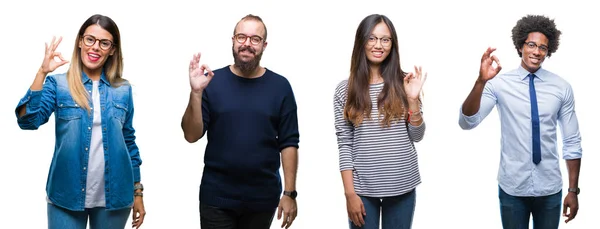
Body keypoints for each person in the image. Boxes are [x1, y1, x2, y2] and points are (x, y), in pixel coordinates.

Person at [15, 14, 146, 229]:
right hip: (65, 194)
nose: (95, 47)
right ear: (80, 41)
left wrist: (138, 191)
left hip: (115, 198)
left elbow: (128, 141)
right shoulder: (58, 85)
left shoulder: (123, 89)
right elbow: (28, 121)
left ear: (112, 49)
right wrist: (42, 72)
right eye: (90, 39)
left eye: (104, 43)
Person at [458, 14, 581, 229]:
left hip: (550, 188)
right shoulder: (499, 84)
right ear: (520, 45)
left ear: (548, 50)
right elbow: (467, 122)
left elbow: (572, 141)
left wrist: (573, 190)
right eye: (531, 44)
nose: (536, 51)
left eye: (543, 47)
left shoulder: (561, 88)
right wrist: (480, 82)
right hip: (512, 188)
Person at [181, 14, 300, 229]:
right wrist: (196, 93)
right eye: (241, 37)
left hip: (262, 199)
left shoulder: (280, 87)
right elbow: (191, 135)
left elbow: (289, 142)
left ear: (264, 45)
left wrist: (290, 193)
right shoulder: (211, 82)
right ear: (233, 41)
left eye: (255, 39)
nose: (247, 44)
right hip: (216, 197)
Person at [333, 14, 427, 229]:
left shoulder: (406, 82)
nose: (379, 45)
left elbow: (417, 136)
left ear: (392, 44)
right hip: (362, 189)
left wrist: (412, 101)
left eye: (385, 39)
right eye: (372, 38)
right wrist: (349, 194)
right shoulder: (344, 90)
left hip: (402, 184)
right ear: (361, 42)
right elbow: (345, 143)